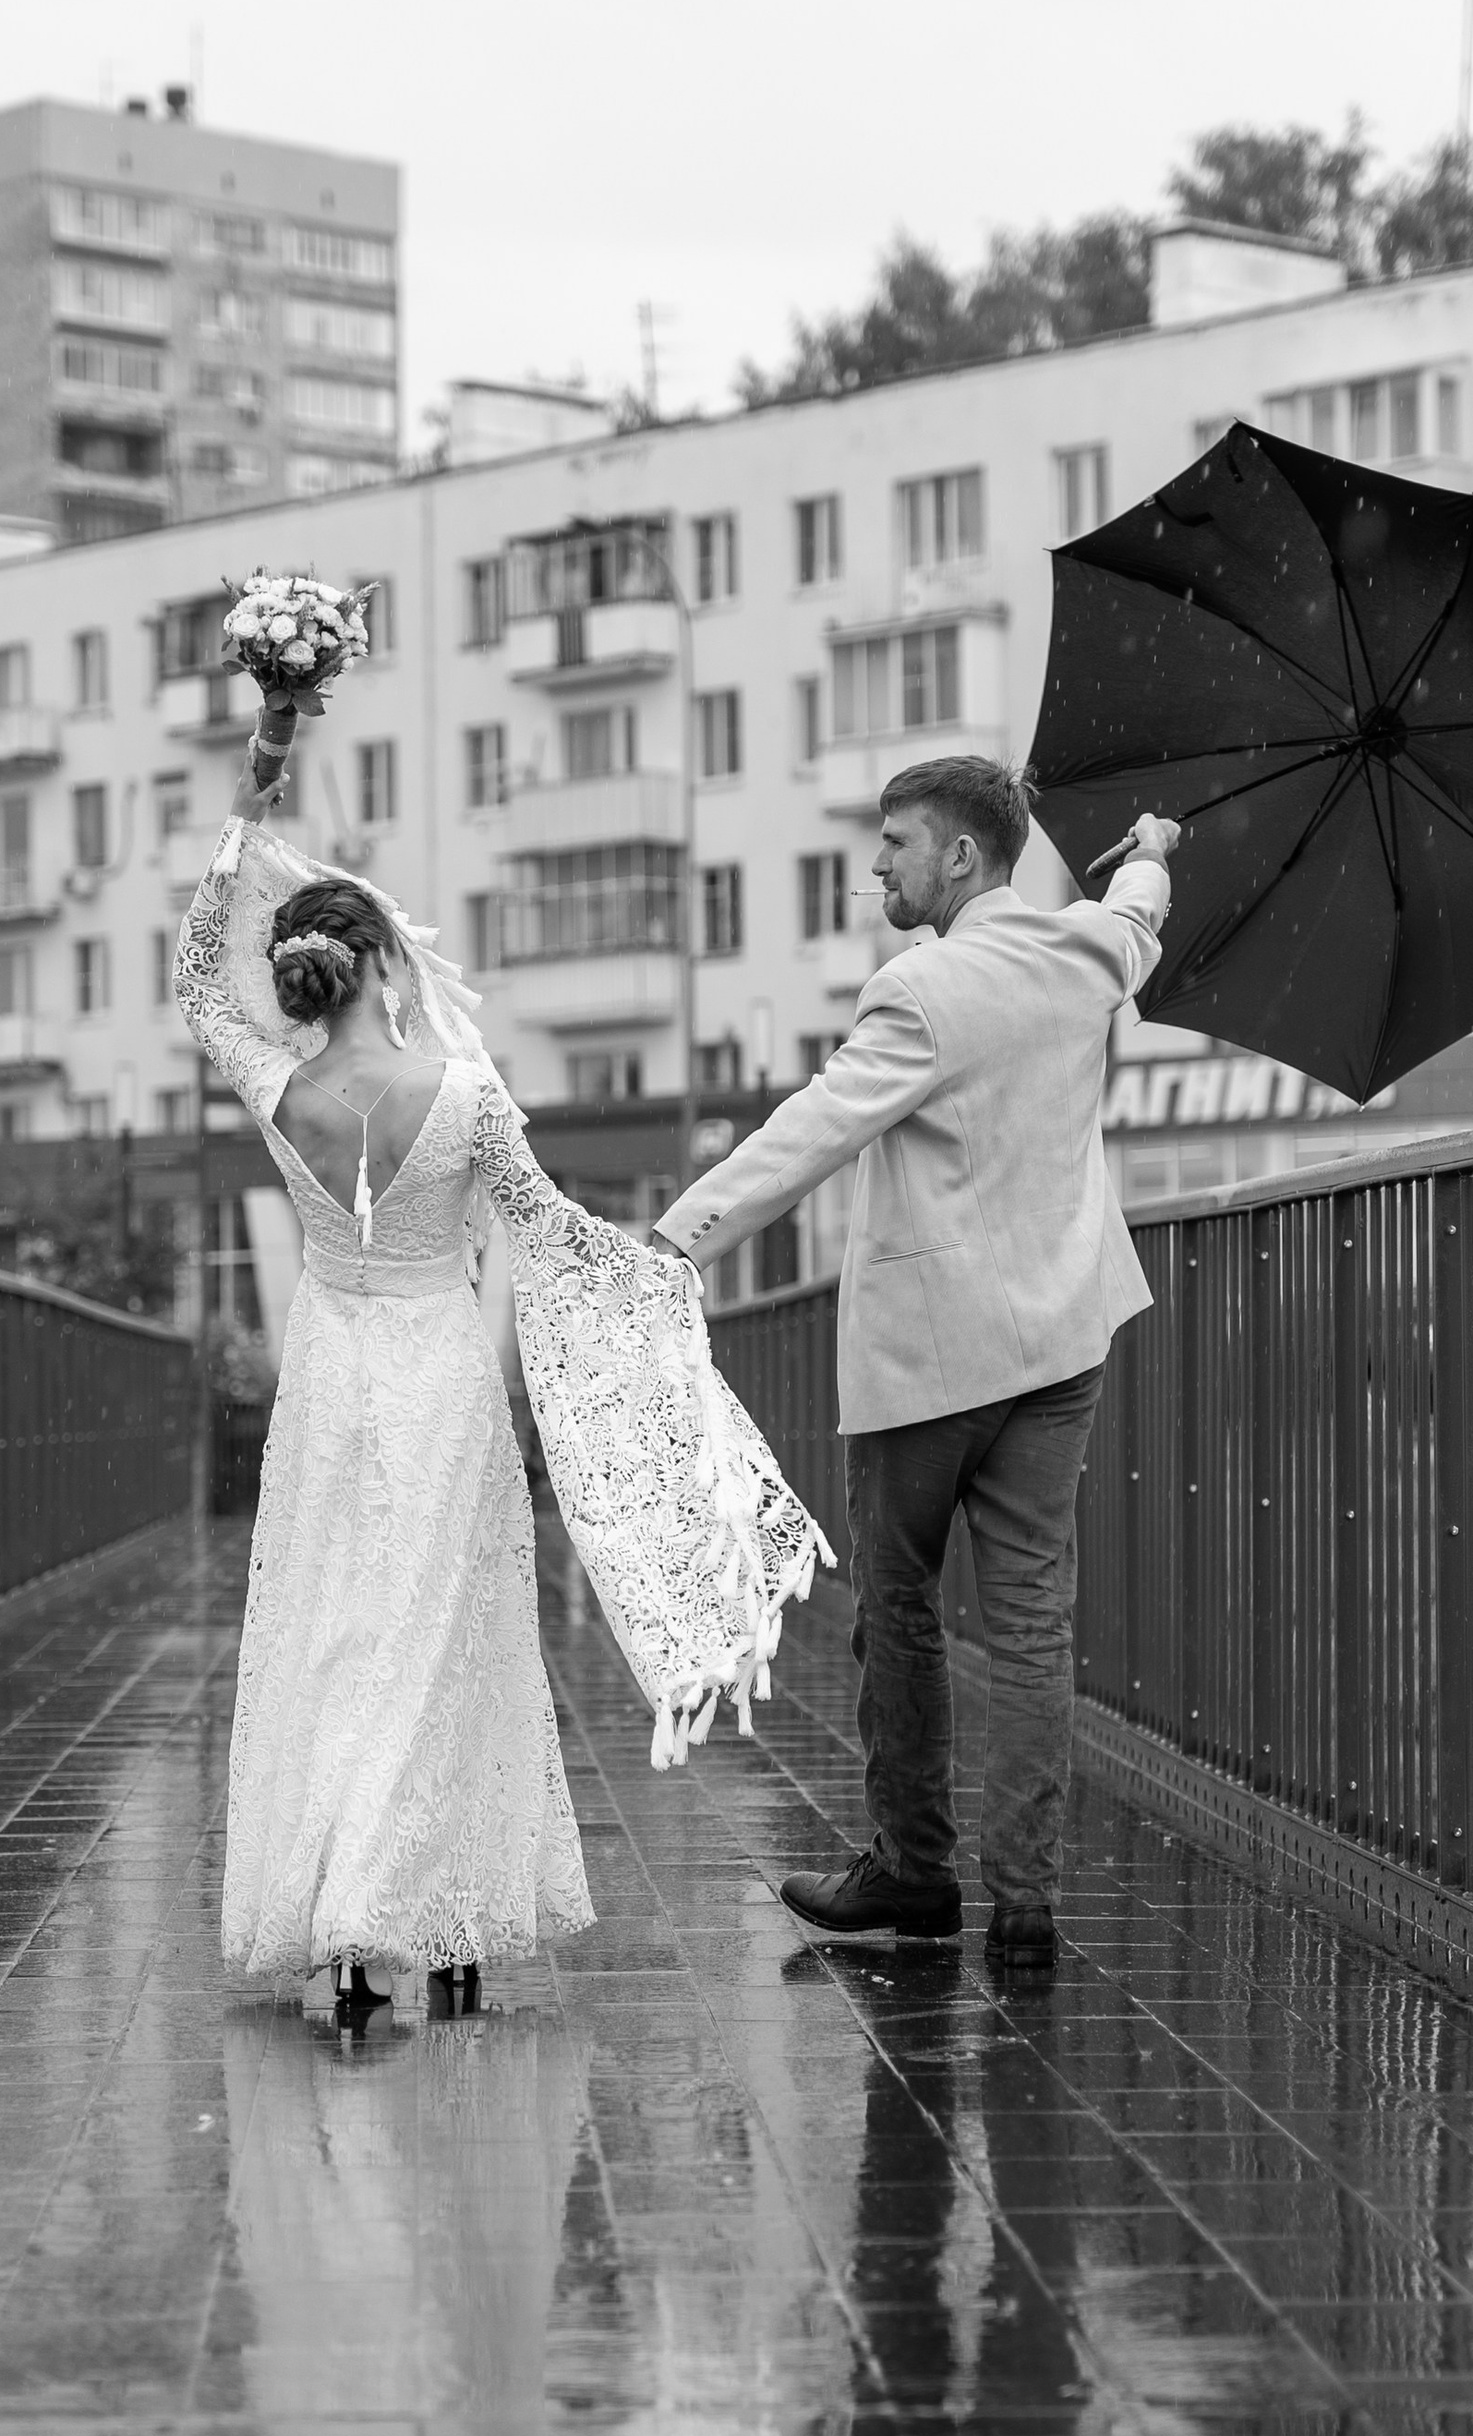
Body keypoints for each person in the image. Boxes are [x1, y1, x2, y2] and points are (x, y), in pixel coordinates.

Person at [176, 603, 827, 2034]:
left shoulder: (274, 1092)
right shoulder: (465, 1100)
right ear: (388, 967)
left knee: (334, 1628)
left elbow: (190, 969)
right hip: (437, 1372)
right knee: (445, 1632)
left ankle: (343, 1915)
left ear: (300, 980)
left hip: (327, 1373)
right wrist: (660, 1260)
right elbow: (551, 1232)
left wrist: (262, 766)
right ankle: (429, 1903)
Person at [655, 756, 1178, 1970]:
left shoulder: (922, 990)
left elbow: (811, 1133)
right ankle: (1028, 1904)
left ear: (962, 858)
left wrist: (674, 1243)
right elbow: (1140, 908)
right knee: (1033, 1627)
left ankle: (911, 1873)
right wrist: (1150, 842)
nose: (876, 864)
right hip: (1061, 1340)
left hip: (934, 1359)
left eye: (896, 842)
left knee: (898, 1613)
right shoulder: (1088, 949)